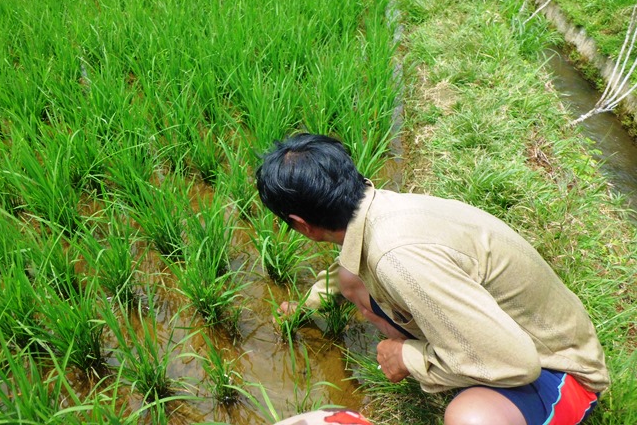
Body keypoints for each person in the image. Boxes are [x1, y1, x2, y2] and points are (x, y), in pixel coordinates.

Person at [256, 133, 609, 425]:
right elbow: (347, 269)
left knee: (471, 418)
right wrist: (305, 305)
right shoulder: (379, 208)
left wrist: (408, 356)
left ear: (301, 224)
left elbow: (518, 363)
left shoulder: (398, 258)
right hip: (513, 334)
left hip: (560, 368)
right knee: (351, 278)